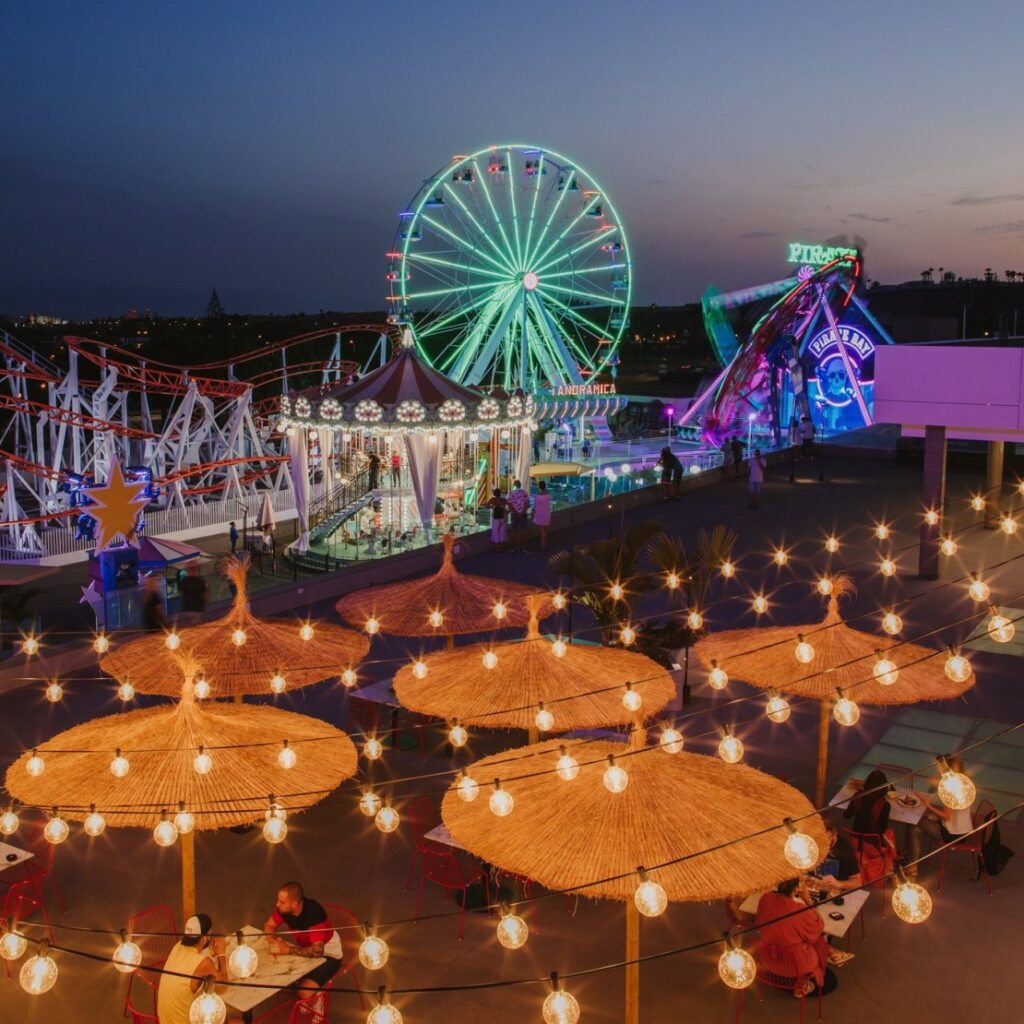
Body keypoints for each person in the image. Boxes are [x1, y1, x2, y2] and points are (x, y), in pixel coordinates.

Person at [754, 878, 837, 998]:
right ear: (796, 889)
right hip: (794, 966)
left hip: (767, 959)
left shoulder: (765, 899)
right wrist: (807, 899)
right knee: (817, 942)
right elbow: (819, 926)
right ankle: (804, 980)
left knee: (797, 937)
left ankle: (830, 953)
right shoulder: (800, 911)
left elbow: (759, 924)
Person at [157, 914, 241, 1024]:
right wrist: (221, 954)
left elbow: (193, 965)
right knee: (240, 1022)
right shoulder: (204, 962)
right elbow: (223, 987)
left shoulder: (177, 946)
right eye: (209, 935)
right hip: (186, 1022)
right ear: (203, 939)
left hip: (163, 1020)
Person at [263, 882, 343, 993]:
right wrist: (273, 943)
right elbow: (269, 925)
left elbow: (317, 951)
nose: (277, 904)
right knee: (271, 977)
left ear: (294, 904)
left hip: (328, 955)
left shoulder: (314, 913)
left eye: (282, 902)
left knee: (304, 992)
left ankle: (316, 995)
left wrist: (286, 949)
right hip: (306, 949)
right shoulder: (285, 910)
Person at [909, 754, 974, 871]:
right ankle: (912, 862)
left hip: (952, 835)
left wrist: (927, 805)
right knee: (915, 829)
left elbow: (946, 817)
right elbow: (934, 782)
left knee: (915, 819)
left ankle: (912, 863)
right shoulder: (964, 783)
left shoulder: (952, 789)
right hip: (965, 831)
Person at [843, 768, 896, 884]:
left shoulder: (857, 796)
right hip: (873, 846)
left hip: (855, 841)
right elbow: (882, 829)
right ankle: (890, 866)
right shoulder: (885, 805)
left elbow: (846, 815)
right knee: (890, 833)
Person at [508, 479, 529, 552]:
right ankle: (524, 548)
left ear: (514, 485)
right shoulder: (524, 493)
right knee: (523, 531)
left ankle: (512, 548)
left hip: (514, 514)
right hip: (523, 514)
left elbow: (509, 504)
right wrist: (522, 512)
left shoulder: (511, 493)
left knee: (514, 531)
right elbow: (527, 504)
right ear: (520, 485)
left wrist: (515, 512)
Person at [486, 487, 508, 551]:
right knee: (502, 531)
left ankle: (497, 548)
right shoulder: (503, 500)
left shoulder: (492, 500)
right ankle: (501, 546)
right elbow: (509, 504)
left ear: (494, 494)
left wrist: (492, 507)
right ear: (500, 493)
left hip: (495, 517)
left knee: (495, 531)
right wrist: (506, 510)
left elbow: (487, 506)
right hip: (502, 517)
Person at [533, 480, 552, 551]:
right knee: (546, 531)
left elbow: (535, 507)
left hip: (541, 515)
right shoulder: (549, 496)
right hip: (547, 514)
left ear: (539, 487)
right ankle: (545, 544)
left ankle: (543, 546)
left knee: (542, 530)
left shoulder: (538, 497)